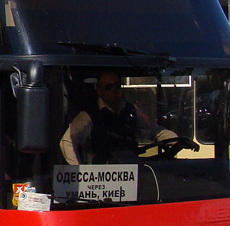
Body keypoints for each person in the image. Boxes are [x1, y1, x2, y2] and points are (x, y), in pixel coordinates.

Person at [60, 71, 196, 165]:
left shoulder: (130, 110)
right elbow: (67, 142)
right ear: (99, 91)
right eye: (108, 87)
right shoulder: (89, 114)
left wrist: (178, 141)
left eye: (117, 85)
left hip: (131, 173)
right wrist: (80, 174)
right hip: (102, 178)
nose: (114, 89)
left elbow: (153, 131)